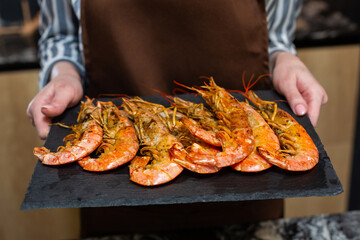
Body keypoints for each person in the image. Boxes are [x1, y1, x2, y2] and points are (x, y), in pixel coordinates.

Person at [27, 0, 328, 236]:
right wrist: (63, 73)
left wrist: (285, 60)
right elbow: (62, 36)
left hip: (252, 192)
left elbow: (274, 36)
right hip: (115, 197)